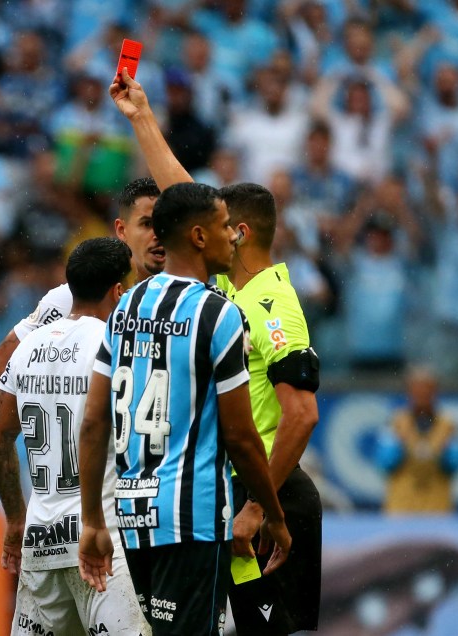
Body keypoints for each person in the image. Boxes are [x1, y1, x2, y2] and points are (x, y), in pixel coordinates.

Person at [111, 68, 322, 635]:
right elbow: (185, 196)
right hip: (231, 495)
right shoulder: (227, 287)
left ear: (241, 232)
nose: (211, 230)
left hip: (272, 492)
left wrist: (259, 505)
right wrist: (142, 117)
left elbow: (301, 414)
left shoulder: (274, 305)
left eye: (224, 223)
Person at [78, 182, 291, 636]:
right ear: (198, 236)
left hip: (134, 517)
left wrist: (95, 517)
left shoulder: (125, 306)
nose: (234, 236)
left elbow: (94, 422)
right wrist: (272, 514)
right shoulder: (219, 314)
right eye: (224, 226)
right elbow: (240, 437)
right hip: (191, 519)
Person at [0, 237, 150, 636]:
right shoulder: (116, 345)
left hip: (41, 540)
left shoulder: (28, 347)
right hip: (102, 540)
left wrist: (15, 520)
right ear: (118, 291)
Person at [0, 173, 193, 387]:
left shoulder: (194, 303)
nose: (158, 234)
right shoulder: (70, 296)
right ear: (122, 230)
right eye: (147, 224)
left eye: (166, 224)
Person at [376, 365, 458, 514]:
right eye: (417, 389)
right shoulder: (395, 423)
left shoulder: (449, 425)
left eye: (427, 389)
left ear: (435, 391)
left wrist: (446, 452)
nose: (422, 394)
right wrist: (398, 446)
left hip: (438, 509)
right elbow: (384, 463)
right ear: (409, 391)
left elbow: (456, 465)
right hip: (401, 508)